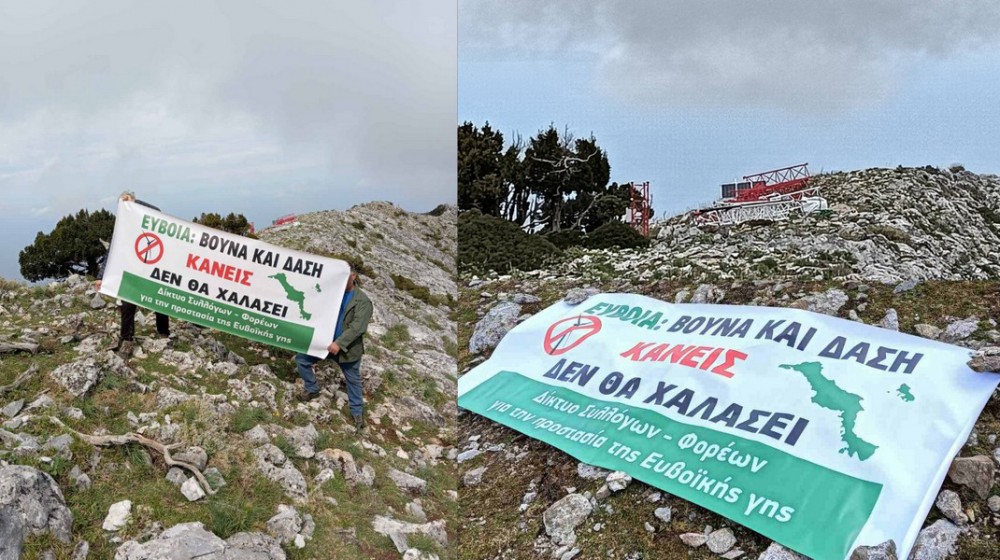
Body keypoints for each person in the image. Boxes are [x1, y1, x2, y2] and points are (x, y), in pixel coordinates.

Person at [293, 265, 373, 433]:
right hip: (324, 344)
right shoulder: (332, 293)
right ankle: (312, 388)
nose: (343, 279)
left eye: (347, 275)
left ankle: (357, 413)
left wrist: (339, 343)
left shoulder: (363, 301)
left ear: (353, 276)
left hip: (346, 350)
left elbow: (358, 327)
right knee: (301, 360)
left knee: (353, 381)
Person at [94, 191, 170, 358]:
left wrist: (136, 203)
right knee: (127, 306)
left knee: (159, 302)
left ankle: (164, 334)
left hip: (151, 272)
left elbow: (157, 212)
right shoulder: (121, 229)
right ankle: (127, 339)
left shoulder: (149, 222)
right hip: (132, 274)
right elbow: (110, 253)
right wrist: (100, 276)